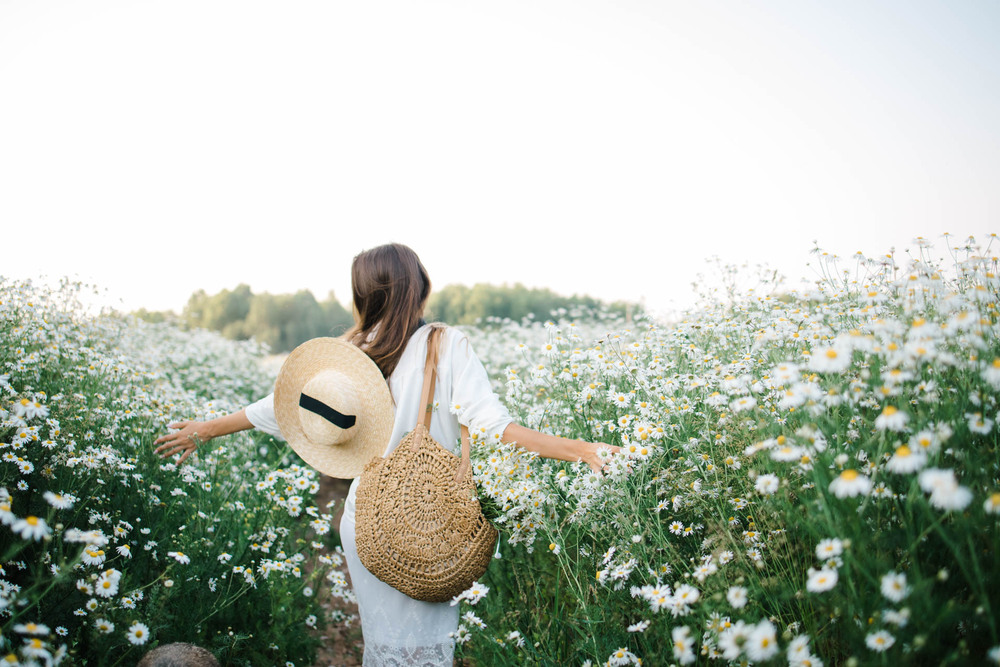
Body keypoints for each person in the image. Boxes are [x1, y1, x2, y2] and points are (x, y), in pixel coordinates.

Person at [153, 243, 616, 666]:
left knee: (384, 647)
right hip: (431, 519)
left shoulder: (354, 351)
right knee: (426, 652)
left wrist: (205, 430)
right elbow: (495, 426)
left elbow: (281, 405)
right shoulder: (445, 343)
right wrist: (582, 450)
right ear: (420, 286)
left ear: (363, 295)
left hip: (369, 519)